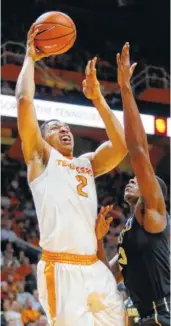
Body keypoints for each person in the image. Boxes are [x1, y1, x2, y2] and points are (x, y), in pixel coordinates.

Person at [15, 24, 128, 326]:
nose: (63, 129)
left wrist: (98, 100)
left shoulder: (86, 163)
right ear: (42, 138)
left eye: (66, 126)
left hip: (93, 267)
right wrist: (30, 57)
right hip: (61, 269)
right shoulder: (40, 158)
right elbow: (25, 103)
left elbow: (121, 146)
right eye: (54, 127)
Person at [96, 43, 170, 326]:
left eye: (140, 179)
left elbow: (138, 150)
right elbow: (107, 278)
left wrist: (125, 89)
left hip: (163, 315)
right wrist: (99, 242)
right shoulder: (130, 230)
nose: (132, 177)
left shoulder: (152, 214)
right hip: (143, 318)